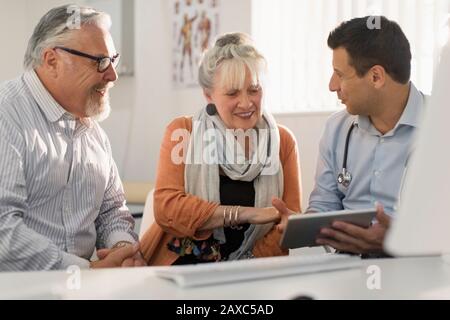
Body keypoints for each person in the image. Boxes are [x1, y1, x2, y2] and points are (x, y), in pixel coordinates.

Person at [0, 5, 146, 271]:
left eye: (113, 59)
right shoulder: (6, 115)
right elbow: (3, 230)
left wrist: (122, 249)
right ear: (52, 60)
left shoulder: (92, 131)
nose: (112, 75)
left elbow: (112, 211)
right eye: (100, 61)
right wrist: (83, 271)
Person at [140, 33, 301, 266]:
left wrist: (247, 266)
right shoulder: (182, 132)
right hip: (184, 267)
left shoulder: (283, 141)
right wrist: (247, 213)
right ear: (209, 95)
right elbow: (168, 209)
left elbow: (288, 219)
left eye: (254, 90)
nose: (246, 103)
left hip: (255, 270)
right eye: (233, 93)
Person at [274, 16, 426, 256]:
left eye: (340, 74)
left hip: (421, 270)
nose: (332, 85)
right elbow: (324, 206)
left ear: (376, 77)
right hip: (347, 269)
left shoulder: (440, 127)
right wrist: (302, 225)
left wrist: (401, 239)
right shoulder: (337, 128)